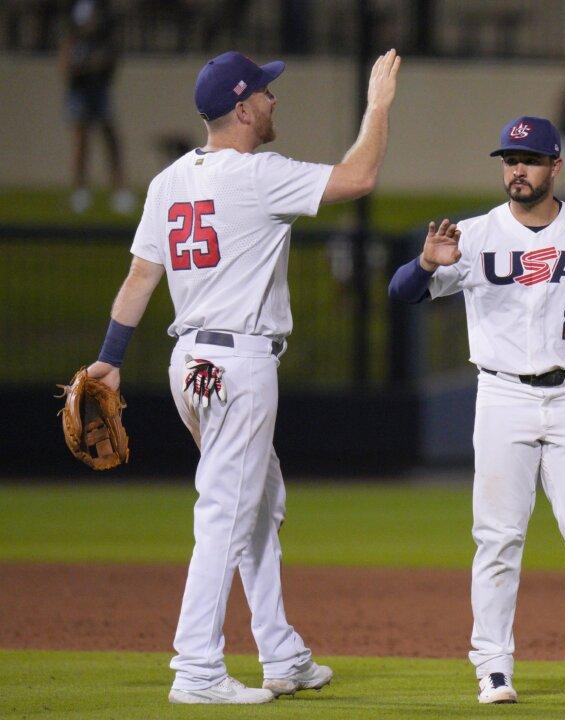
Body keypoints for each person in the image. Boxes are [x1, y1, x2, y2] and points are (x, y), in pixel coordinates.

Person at [84, 48, 402, 704]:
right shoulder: (257, 176)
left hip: (190, 366)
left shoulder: (170, 180)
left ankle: (282, 654)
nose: (273, 100)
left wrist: (112, 357)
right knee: (226, 512)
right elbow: (360, 177)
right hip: (238, 364)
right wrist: (378, 104)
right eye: (265, 92)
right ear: (241, 105)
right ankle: (196, 669)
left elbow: (143, 277)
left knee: (256, 506)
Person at [388, 116, 565, 706]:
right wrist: (425, 264)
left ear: (555, 167)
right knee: (497, 537)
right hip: (501, 397)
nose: (516, 169)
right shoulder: (474, 234)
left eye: (529, 159)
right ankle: (493, 666)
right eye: (508, 159)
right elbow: (401, 295)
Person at [59, 0, 133, 214]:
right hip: (80, 93)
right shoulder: (73, 41)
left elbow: (111, 62)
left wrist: (98, 65)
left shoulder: (103, 39)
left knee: (110, 139)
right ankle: (80, 191)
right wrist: (86, 66)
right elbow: (65, 67)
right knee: (80, 142)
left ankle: (119, 189)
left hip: (99, 91)